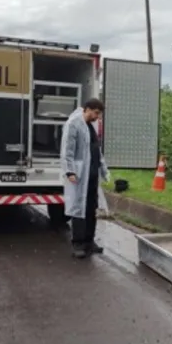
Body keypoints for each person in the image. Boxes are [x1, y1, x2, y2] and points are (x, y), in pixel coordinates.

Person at [59, 98, 110, 259]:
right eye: (96, 113)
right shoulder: (74, 124)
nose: (98, 117)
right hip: (79, 175)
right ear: (87, 109)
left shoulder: (91, 126)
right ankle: (78, 243)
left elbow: (96, 149)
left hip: (92, 175)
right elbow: (67, 149)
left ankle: (89, 241)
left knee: (90, 208)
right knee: (78, 209)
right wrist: (70, 171)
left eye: (99, 114)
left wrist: (103, 169)